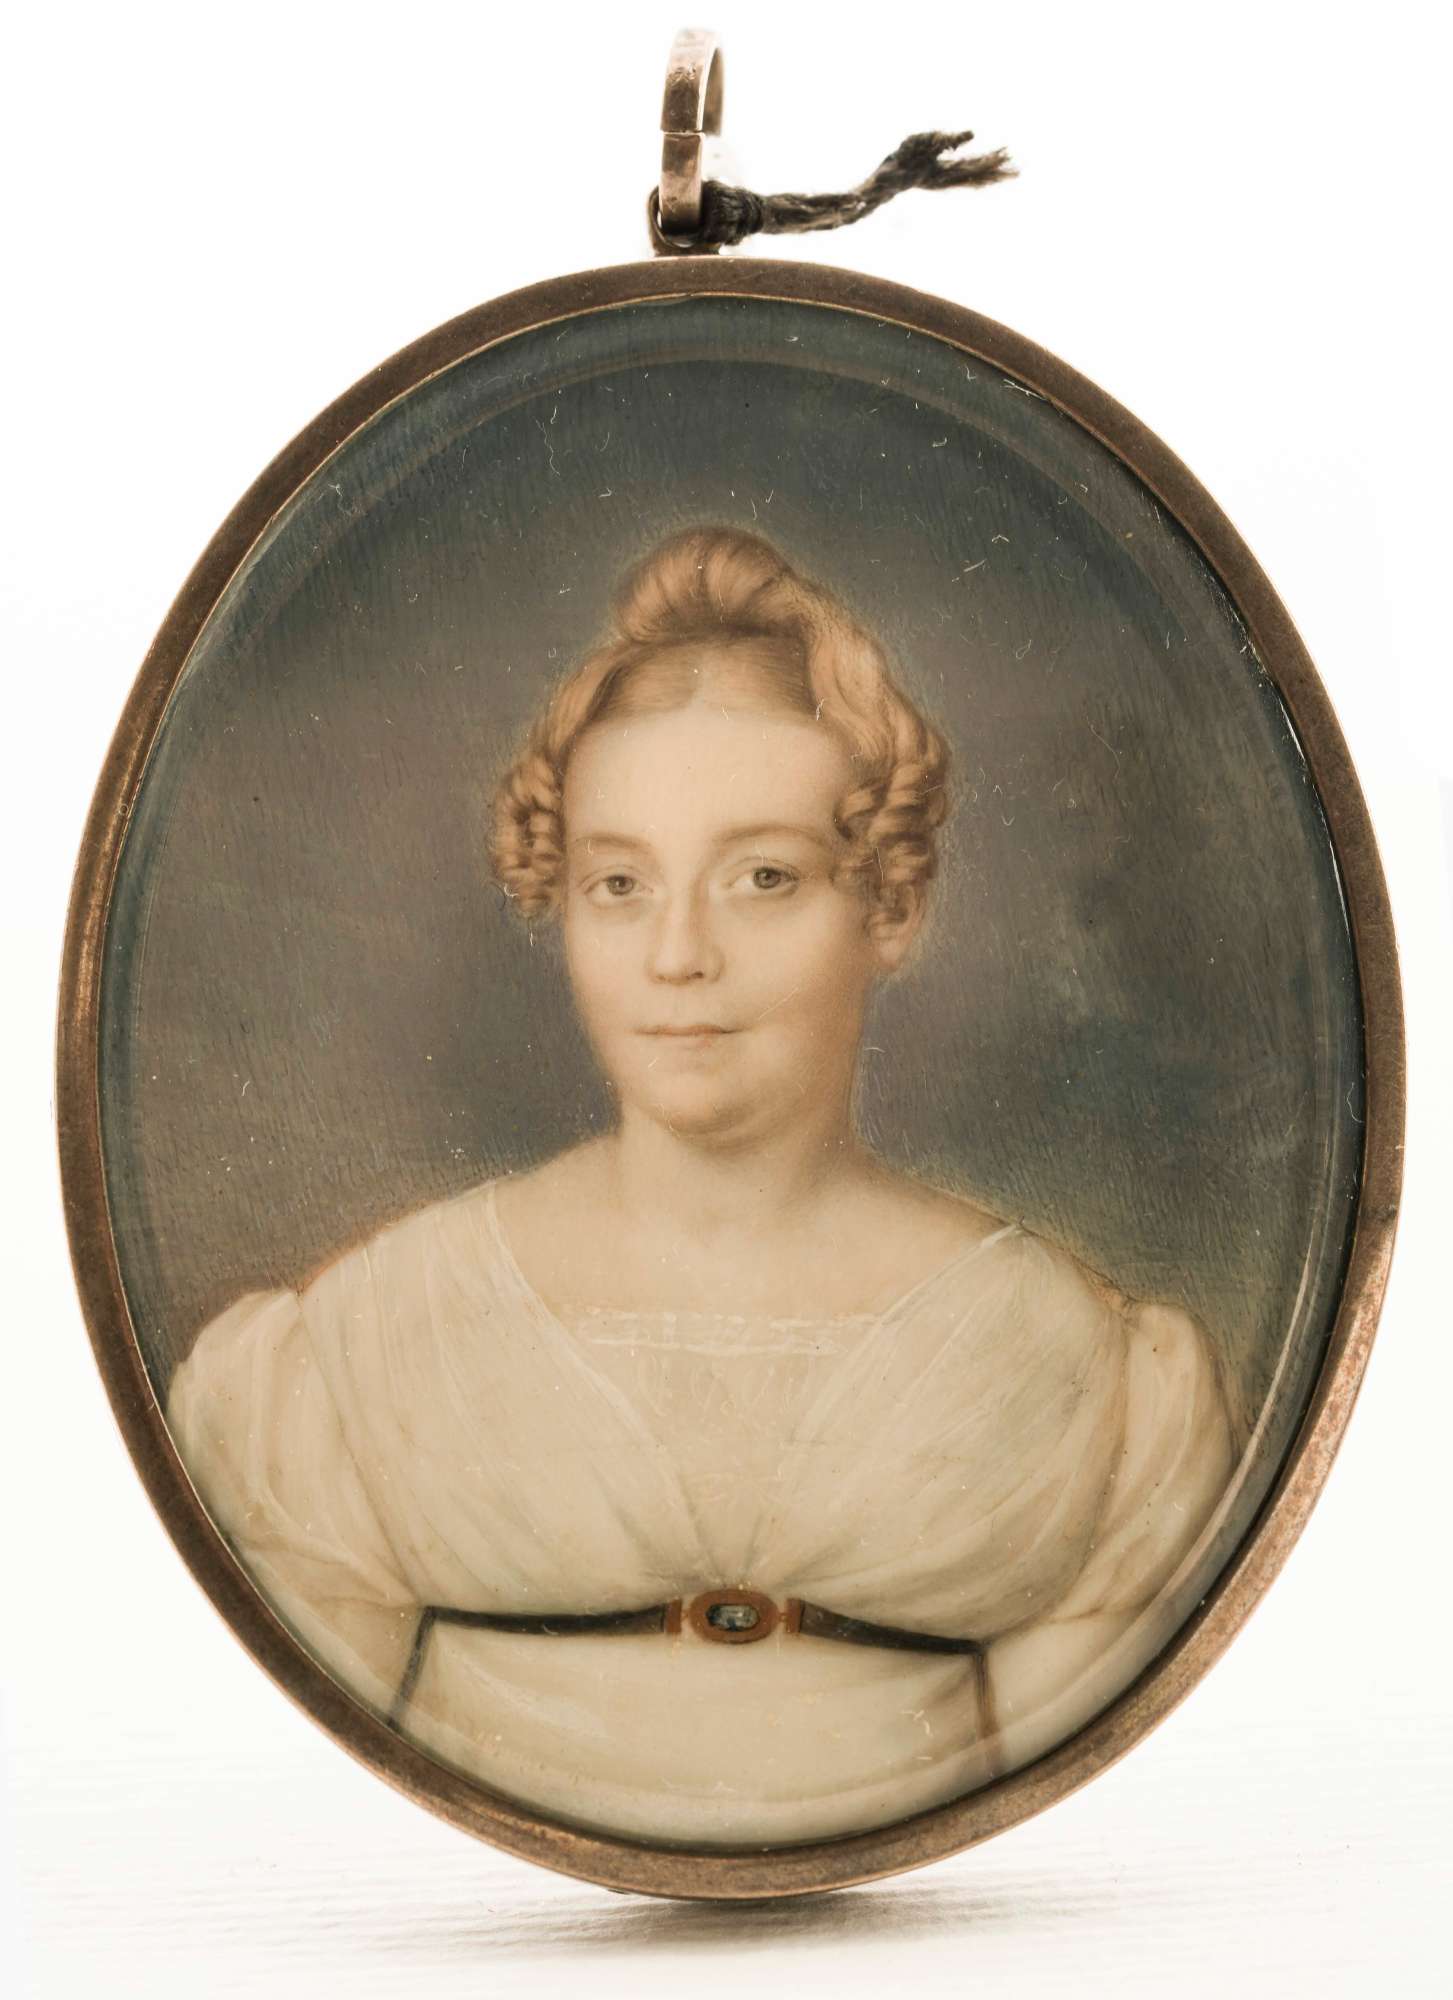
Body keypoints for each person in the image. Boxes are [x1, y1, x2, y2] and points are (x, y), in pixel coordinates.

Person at [168, 526, 1236, 1846]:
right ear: (559, 898)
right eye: (619, 884)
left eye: (762, 880)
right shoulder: (355, 1353)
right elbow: (321, 1824)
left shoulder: (1085, 1374)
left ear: (889, 907)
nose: (678, 954)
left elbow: (1052, 1835)